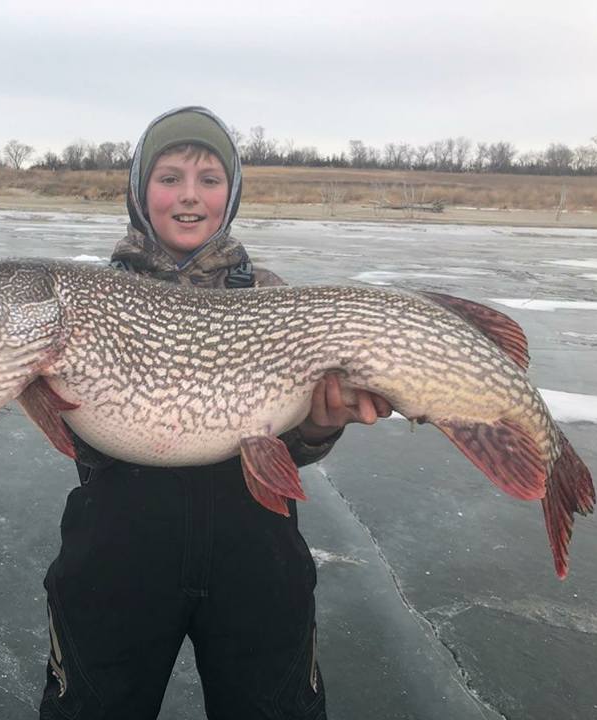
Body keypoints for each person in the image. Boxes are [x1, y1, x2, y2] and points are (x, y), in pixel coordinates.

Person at [40, 106, 391, 720]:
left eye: (208, 180)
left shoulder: (272, 296)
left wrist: (320, 423)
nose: (188, 197)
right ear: (138, 190)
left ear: (229, 196)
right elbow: (88, 438)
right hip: (118, 557)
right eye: (168, 177)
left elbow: (298, 442)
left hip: (255, 558)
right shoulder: (89, 299)